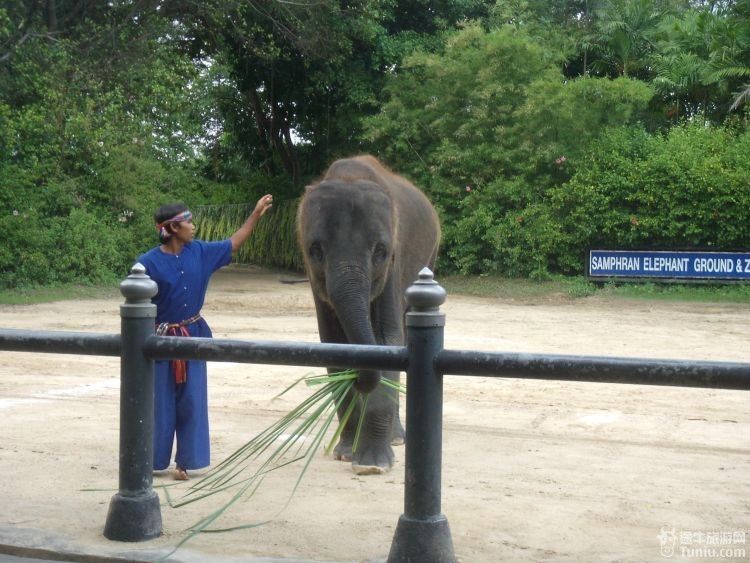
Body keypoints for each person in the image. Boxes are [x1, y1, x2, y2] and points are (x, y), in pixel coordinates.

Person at [136, 194, 273, 480]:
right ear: (173, 228)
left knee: (192, 398)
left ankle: (185, 462)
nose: (193, 226)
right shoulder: (146, 264)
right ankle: (153, 459)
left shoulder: (200, 252)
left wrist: (256, 213)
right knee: (160, 400)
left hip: (194, 335)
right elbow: (138, 307)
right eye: (188, 221)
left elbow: (234, 242)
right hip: (161, 338)